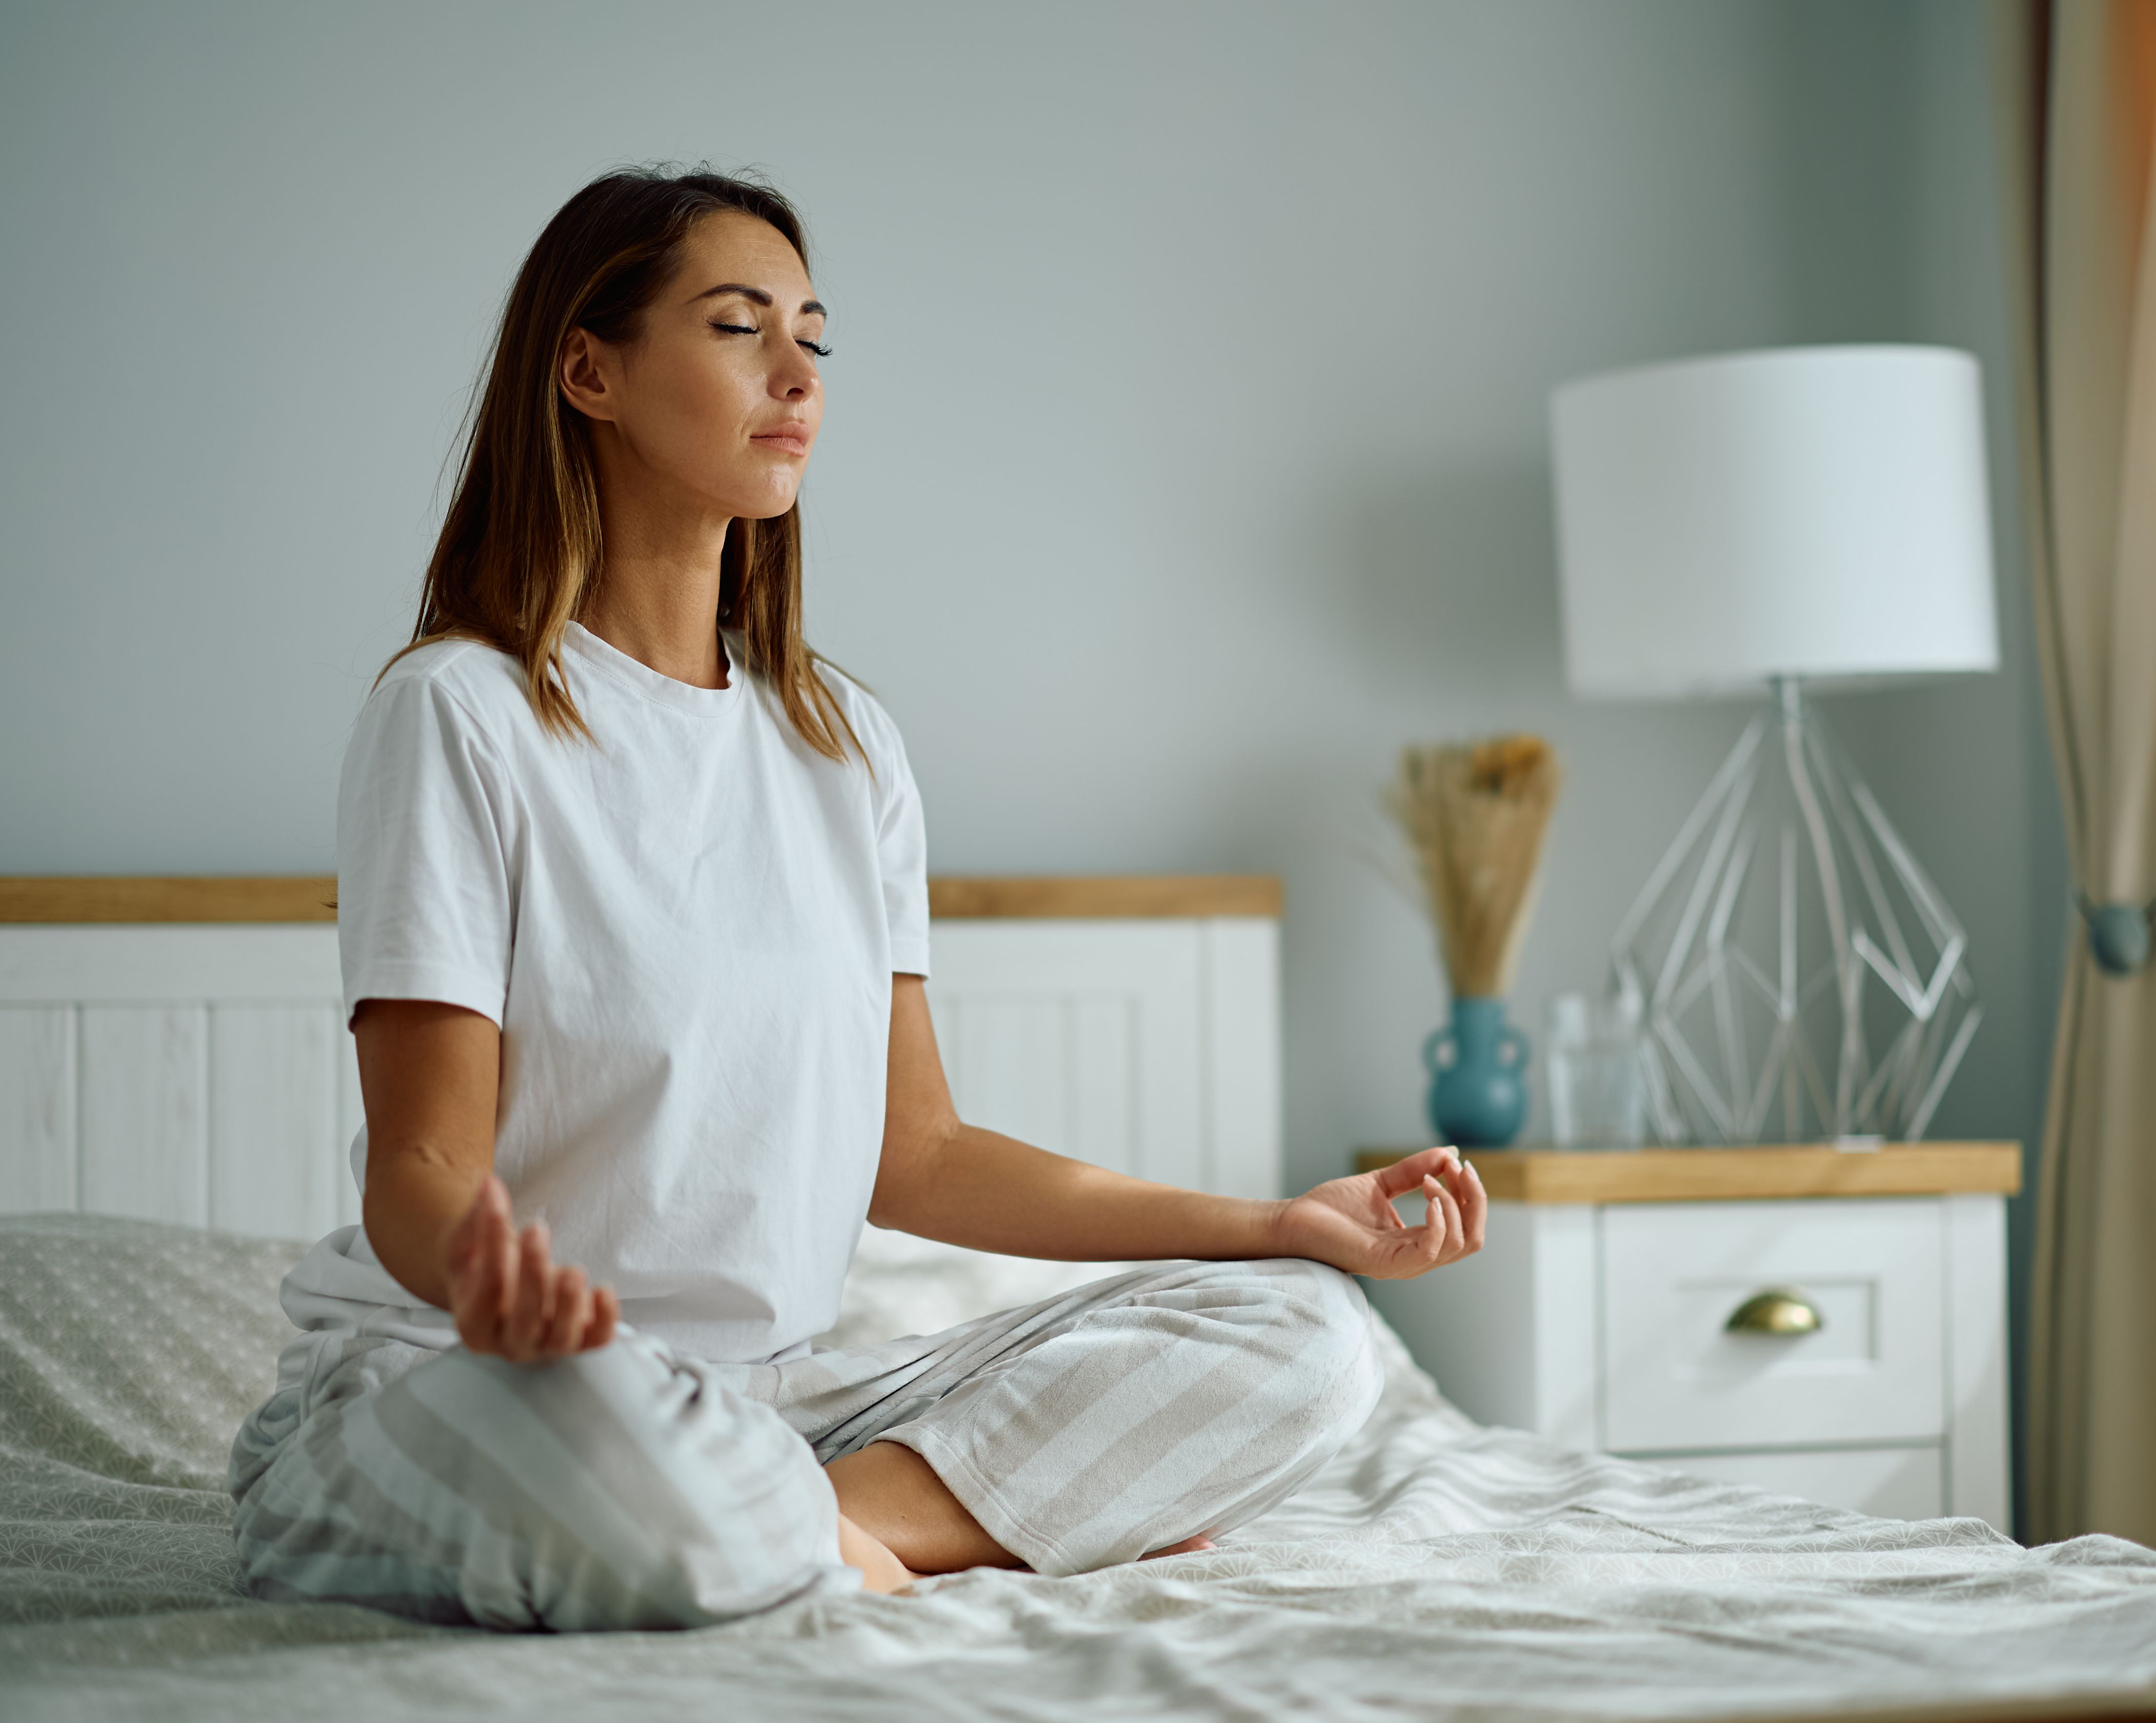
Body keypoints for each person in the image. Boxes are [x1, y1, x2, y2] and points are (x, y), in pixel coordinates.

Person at [228, 166, 1491, 1632]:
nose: (795, 375)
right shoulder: (464, 714)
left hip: (787, 1402)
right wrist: (492, 1291)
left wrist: (1282, 1226)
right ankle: (940, 1528)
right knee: (623, 1465)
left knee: (1317, 1340)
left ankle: (826, 1530)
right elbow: (419, 1171)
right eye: (737, 326)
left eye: (813, 338)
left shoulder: (843, 746)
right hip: (493, 1383)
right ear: (591, 371)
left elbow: (923, 1153)